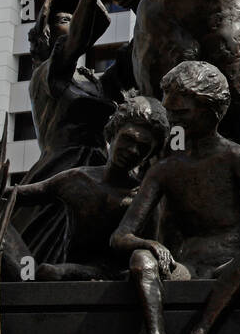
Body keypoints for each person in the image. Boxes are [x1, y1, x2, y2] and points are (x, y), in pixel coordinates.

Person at [112, 61, 240, 334]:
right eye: (169, 111)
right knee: (140, 260)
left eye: (181, 112)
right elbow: (121, 236)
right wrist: (149, 244)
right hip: (186, 268)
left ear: (210, 111)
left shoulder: (234, 156)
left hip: (228, 264)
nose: (172, 119)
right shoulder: (165, 168)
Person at [11, 0, 122, 264]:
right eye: (63, 18)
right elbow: (75, 42)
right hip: (63, 172)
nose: (72, 23)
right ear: (46, 31)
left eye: (76, 17)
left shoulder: (93, 81)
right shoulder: (47, 73)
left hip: (104, 170)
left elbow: (134, 60)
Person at [9, 95, 169, 280]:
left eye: (143, 148)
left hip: (114, 279)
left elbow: (149, 252)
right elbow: (19, 195)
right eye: (128, 139)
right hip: (69, 267)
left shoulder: (142, 197)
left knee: (50, 272)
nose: (132, 150)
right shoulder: (77, 178)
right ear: (113, 133)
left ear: (149, 154)